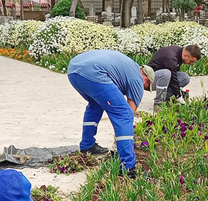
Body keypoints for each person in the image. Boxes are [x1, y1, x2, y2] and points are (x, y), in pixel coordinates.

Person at [68, 49, 154, 178]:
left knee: (94, 105)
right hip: (95, 73)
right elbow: (128, 114)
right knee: (124, 115)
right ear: (145, 77)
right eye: (147, 86)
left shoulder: (127, 66)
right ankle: (127, 167)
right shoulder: (137, 78)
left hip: (74, 70)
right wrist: (117, 143)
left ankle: (87, 146)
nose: (144, 89)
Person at [147, 44, 201, 111]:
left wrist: (180, 90)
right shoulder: (171, 57)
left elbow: (174, 75)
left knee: (185, 78)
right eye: (191, 61)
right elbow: (173, 79)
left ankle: (166, 99)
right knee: (166, 73)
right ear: (186, 55)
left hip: (164, 78)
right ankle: (158, 104)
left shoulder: (180, 53)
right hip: (150, 80)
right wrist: (178, 96)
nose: (191, 64)